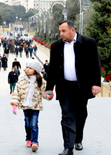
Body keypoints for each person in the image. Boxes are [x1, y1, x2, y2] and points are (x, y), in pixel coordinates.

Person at [46, 20, 101, 155]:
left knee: (81, 114)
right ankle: (68, 147)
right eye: (60, 31)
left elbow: (95, 64)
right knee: (67, 115)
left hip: (82, 86)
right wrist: (49, 88)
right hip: (64, 86)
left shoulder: (88, 42)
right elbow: (52, 68)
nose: (61, 34)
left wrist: (96, 83)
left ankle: (78, 139)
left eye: (63, 31)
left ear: (72, 30)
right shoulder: (56, 46)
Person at [10, 60, 53, 152]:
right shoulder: (22, 79)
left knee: (34, 124)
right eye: (27, 68)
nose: (27, 70)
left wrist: (49, 95)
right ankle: (28, 138)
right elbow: (16, 92)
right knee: (27, 123)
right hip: (25, 106)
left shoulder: (40, 81)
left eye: (30, 68)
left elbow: (44, 93)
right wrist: (14, 104)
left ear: (36, 70)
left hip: (35, 106)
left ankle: (35, 142)